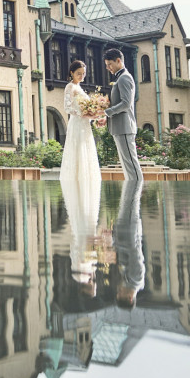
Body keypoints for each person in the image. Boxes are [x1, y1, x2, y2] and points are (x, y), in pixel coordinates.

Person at [62, 59, 102, 294]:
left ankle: (85, 180)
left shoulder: (81, 88)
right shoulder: (70, 88)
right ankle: (77, 181)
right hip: (77, 125)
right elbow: (69, 108)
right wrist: (86, 112)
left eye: (84, 73)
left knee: (87, 152)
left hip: (84, 125)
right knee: (78, 152)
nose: (82, 76)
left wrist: (95, 113)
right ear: (71, 73)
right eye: (78, 73)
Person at [103, 48, 141, 182]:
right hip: (120, 128)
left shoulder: (124, 77)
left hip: (124, 128)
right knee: (128, 167)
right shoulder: (121, 77)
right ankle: (131, 200)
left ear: (118, 61)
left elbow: (126, 103)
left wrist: (107, 112)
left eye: (109, 64)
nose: (108, 68)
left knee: (131, 166)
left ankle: (136, 197)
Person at [112, 176, 145, 309]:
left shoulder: (129, 280)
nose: (118, 290)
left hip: (124, 232)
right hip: (129, 230)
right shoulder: (136, 279)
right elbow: (133, 251)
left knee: (127, 200)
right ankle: (135, 181)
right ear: (130, 298)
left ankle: (134, 181)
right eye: (120, 294)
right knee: (131, 198)